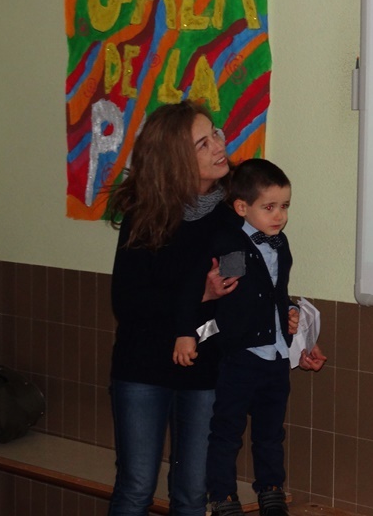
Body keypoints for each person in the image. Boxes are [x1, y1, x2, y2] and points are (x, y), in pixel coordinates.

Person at [105, 100, 238, 516]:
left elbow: (240, 282)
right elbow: (128, 302)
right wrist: (199, 294)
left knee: (193, 494)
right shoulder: (145, 215)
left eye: (215, 134)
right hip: (142, 367)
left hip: (205, 369)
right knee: (136, 488)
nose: (219, 146)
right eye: (203, 143)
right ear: (175, 159)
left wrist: (290, 317)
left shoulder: (232, 213)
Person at [203, 159, 326, 516]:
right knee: (227, 429)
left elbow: (275, 292)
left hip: (275, 353)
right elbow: (233, 295)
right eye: (269, 207)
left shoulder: (280, 244)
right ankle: (222, 495)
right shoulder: (231, 244)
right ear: (242, 207)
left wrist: (290, 313)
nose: (280, 216)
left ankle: (271, 488)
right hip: (241, 353)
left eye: (284, 206)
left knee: (271, 431)